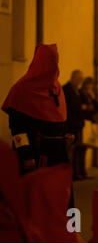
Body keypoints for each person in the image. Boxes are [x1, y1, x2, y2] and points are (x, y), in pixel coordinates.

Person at [2, 44, 71, 174]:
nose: (54, 66)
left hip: (57, 155)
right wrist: (26, 155)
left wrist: (66, 135)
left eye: (55, 61)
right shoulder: (22, 89)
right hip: (35, 153)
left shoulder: (57, 88)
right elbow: (17, 129)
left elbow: (60, 119)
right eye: (51, 61)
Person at [63, 70, 86, 180]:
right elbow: (68, 108)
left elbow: (93, 105)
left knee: (77, 150)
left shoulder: (79, 91)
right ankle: (69, 174)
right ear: (73, 77)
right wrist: (81, 107)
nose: (80, 81)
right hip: (70, 125)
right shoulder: (66, 90)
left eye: (81, 79)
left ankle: (76, 173)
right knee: (70, 151)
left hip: (78, 125)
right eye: (78, 78)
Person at [78, 77, 98, 177]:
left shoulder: (90, 95)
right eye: (88, 84)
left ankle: (82, 172)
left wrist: (92, 98)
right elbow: (81, 107)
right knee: (80, 148)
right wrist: (88, 108)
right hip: (82, 123)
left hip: (89, 123)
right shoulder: (80, 93)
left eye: (91, 84)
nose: (89, 86)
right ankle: (78, 172)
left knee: (85, 148)